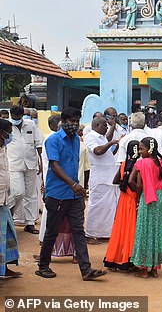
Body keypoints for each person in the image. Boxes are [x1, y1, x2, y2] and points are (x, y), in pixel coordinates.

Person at [36, 107, 107, 280]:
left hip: (75, 195)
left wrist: (79, 187)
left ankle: (86, 270)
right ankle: (43, 265)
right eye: (71, 121)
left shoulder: (76, 140)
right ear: (63, 121)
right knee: (52, 231)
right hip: (58, 193)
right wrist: (73, 184)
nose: (74, 124)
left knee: (78, 231)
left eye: (76, 121)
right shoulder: (53, 140)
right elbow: (55, 165)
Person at [129, 137, 162, 278]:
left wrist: (138, 197)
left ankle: (143, 268)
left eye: (141, 149)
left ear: (149, 149)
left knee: (144, 231)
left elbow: (133, 182)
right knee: (156, 231)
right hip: (160, 199)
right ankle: (154, 268)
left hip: (147, 197)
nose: (140, 152)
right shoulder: (161, 164)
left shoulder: (141, 163)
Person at [104, 141, 140, 271]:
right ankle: (129, 258)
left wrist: (122, 182)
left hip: (123, 200)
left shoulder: (124, 164)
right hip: (133, 200)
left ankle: (116, 258)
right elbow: (133, 182)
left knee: (121, 229)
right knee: (132, 229)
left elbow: (115, 180)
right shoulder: (138, 165)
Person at [7, 105, 43, 234]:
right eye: (14, 117)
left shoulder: (30, 125)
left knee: (31, 194)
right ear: (11, 115)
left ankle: (29, 223)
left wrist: (40, 162)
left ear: (22, 115)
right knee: (18, 192)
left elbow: (38, 143)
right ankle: (9, 215)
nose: (17, 119)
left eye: (19, 117)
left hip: (30, 163)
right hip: (13, 164)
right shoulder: (7, 126)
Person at [84, 117, 120, 243]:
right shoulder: (90, 137)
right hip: (99, 178)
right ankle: (90, 233)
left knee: (108, 208)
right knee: (96, 207)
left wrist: (112, 128)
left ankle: (104, 233)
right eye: (104, 126)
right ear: (97, 125)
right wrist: (111, 143)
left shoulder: (101, 137)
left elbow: (107, 140)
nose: (106, 128)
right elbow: (98, 151)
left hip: (108, 178)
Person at [0, 119, 22, 279]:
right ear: (2, 133)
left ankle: (4, 268)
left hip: (3, 200)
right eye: (9, 132)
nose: (11, 136)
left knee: (7, 233)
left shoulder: (3, 148)